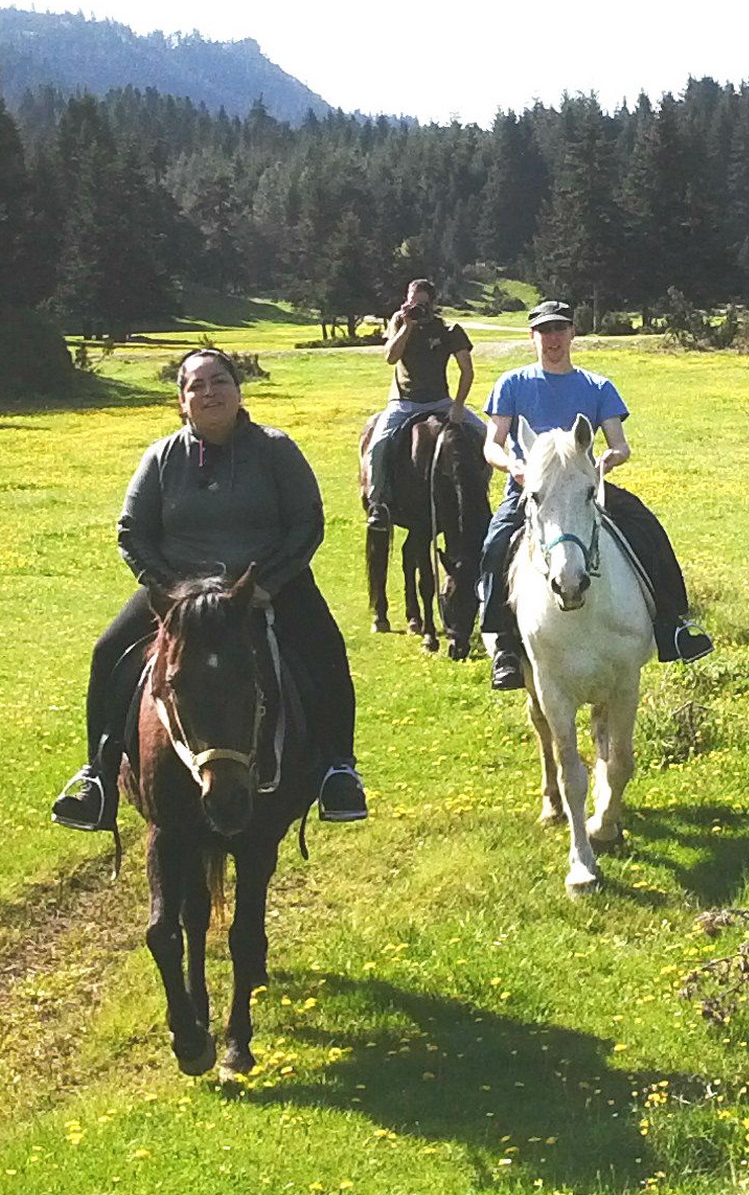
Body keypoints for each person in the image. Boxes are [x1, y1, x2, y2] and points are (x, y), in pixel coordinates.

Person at [52, 348, 367, 830]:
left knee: (325, 648)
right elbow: (131, 532)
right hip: (181, 593)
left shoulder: (276, 448)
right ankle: (97, 777)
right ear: (182, 401)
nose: (209, 392)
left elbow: (307, 523)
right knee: (107, 651)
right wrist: (167, 592)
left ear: (238, 391)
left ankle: (338, 770)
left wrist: (269, 584)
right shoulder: (161, 457)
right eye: (196, 386)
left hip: (266, 587)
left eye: (219, 381)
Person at [478, 299, 713, 691]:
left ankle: (673, 625)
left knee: (647, 529)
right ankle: (503, 644)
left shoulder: (597, 386)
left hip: (586, 487)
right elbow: (492, 443)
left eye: (560, 330)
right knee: (495, 544)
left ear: (572, 334)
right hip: (531, 490)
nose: (553, 339)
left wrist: (608, 459)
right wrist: (512, 467)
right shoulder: (512, 384)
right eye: (544, 331)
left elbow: (620, 444)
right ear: (532, 336)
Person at [365, 278, 475, 531]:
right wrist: (407, 326)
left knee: (482, 433)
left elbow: (467, 371)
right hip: (405, 401)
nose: (417, 308)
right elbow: (390, 357)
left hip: (440, 401)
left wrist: (458, 406)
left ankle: (476, 492)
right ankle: (378, 502)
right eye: (412, 302)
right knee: (379, 444)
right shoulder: (398, 322)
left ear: (433, 304)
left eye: (423, 305)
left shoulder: (448, 330)